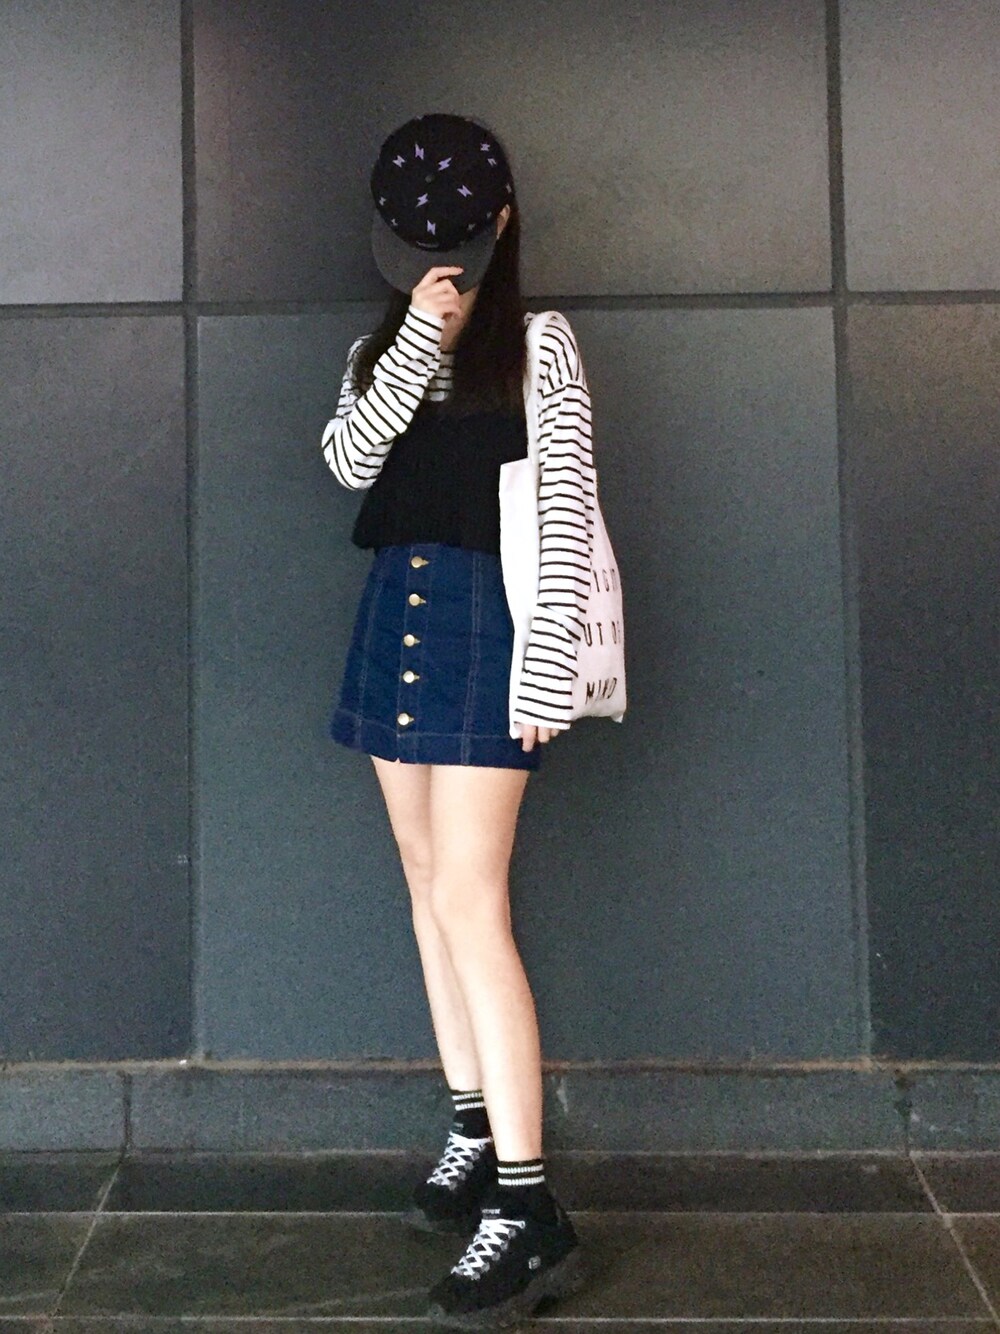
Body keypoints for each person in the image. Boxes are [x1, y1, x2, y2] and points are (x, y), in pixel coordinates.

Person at [320, 112, 596, 1328]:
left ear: (499, 225)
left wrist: (546, 673)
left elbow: (568, 506)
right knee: (425, 879)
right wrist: (412, 346)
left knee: (474, 898)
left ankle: (530, 1206)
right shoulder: (376, 346)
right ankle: (473, 1127)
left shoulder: (540, 343)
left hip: (492, 625)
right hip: (398, 611)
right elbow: (347, 461)